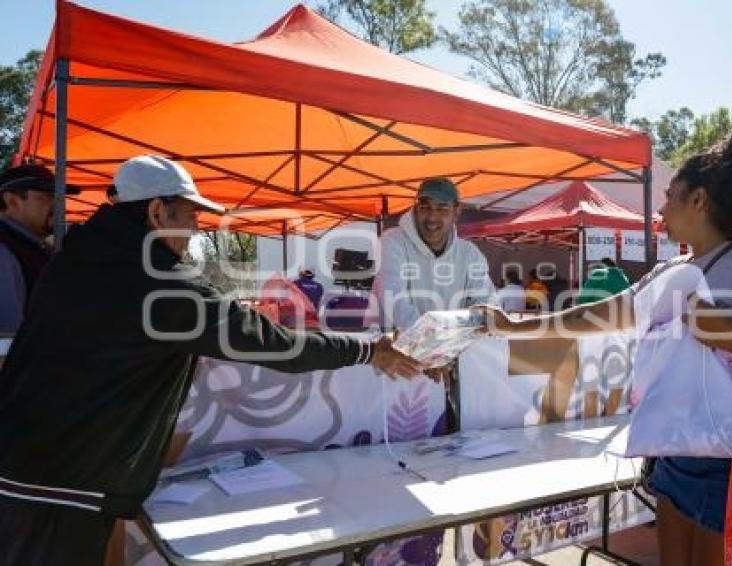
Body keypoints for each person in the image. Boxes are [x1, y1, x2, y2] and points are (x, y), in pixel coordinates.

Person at [0, 155, 421, 565]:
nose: (195, 230)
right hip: (63, 484)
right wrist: (369, 349)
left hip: (27, 462)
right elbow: (271, 343)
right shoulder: (159, 283)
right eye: (191, 216)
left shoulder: (75, 259)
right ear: (157, 212)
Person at [478, 134, 732, 566]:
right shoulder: (672, 271)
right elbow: (599, 315)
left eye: (669, 196)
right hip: (676, 455)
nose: (660, 210)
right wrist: (517, 327)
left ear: (698, 200)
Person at [371, 177, 496, 331]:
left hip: (449, 342)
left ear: (456, 212)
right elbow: (393, 296)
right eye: (425, 207)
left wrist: (477, 322)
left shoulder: (469, 253)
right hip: (391, 343)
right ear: (416, 209)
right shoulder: (392, 241)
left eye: (442, 208)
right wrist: (431, 335)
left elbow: (487, 302)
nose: (431, 217)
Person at [0, 164, 79, 334]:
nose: (58, 205)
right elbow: (9, 337)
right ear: (12, 201)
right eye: (46, 197)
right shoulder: (4, 252)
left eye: (59, 198)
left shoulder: (36, 249)